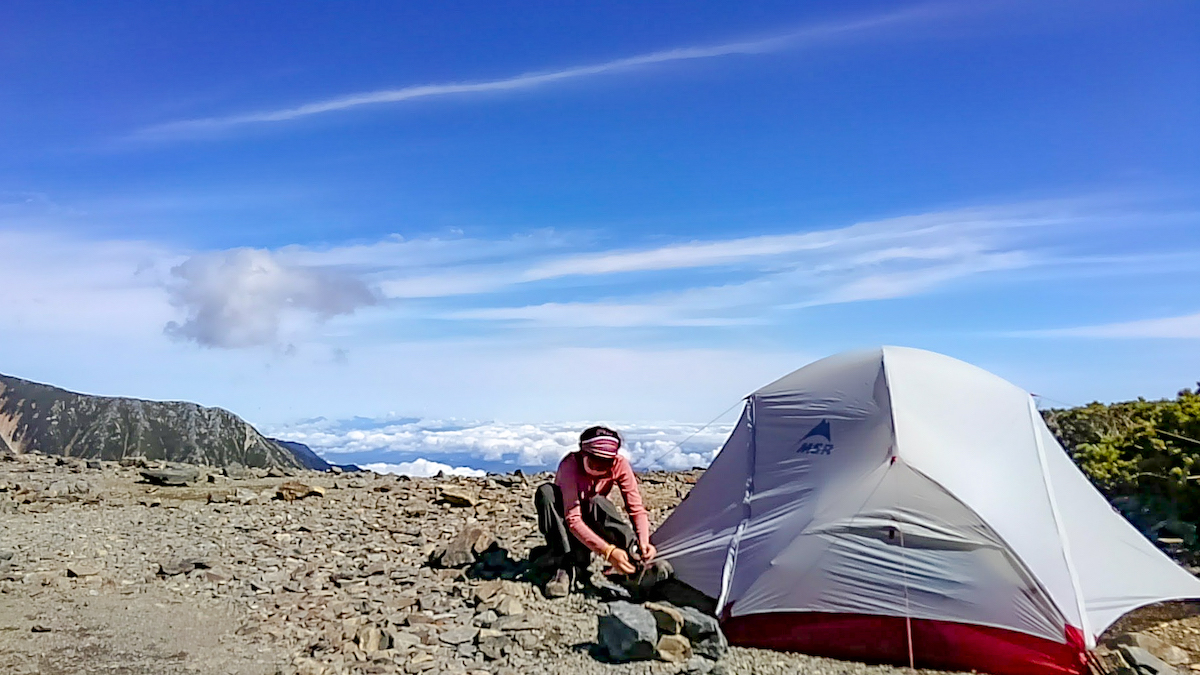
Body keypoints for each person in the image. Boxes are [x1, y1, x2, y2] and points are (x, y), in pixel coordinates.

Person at [533, 425, 656, 596]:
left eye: (607, 463)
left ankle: (636, 556)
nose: (600, 468)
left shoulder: (619, 465)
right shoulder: (570, 466)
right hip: (566, 520)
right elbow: (573, 518)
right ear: (583, 454)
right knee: (546, 493)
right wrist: (608, 552)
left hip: (593, 518)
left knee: (598, 502)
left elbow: (635, 507)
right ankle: (564, 563)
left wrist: (644, 540)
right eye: (595, 461)